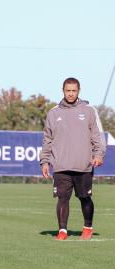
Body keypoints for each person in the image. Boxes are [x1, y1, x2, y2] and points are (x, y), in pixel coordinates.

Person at [40, 77, 106, 241]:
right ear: (63, 91)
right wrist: (44, 161)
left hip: (83, 164)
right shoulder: (54, 113)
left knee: (85, 197)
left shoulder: (89, 110)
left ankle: (87, 227)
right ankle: (62, 231)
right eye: (68, 90)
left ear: (79, 91)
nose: (70, 94)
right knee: (63, 198)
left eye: (73, 91)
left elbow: (97, 136)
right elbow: (47, 139)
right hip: (61, 165)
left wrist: (98, 154)